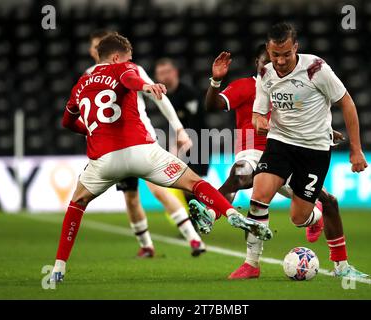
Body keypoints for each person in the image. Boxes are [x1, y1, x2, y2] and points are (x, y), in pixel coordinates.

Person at [50, 34, 272, 282]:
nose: (131, 61)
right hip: (141, 150)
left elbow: (66, 121)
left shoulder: (80, 83)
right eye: (128, 57)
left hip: (103, 160)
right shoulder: (123, 68)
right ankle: (230, 213)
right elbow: (131, 79)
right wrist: (146, 86)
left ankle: (58, 267)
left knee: (77, 203)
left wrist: (90, 130)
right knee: (193, 182)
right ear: (116, 58)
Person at [190, 22, 369, 279]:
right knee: (258, 195)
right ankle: (251, 264)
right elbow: (258, 115)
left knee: (298, 217)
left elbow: (347, 103)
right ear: (268, 51)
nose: (281, 61)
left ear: (296, 47)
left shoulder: (316, 69)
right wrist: (259, 122)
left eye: (286, 54)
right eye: (276, 55)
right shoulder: (265, 74)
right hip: (279, 144)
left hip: (313, 150)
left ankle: (328, 243)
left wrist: (356, 150)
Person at [89, 30, 204, 258]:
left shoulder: (133, 70)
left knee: (160, 191)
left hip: (142, 143)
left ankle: (194, 239)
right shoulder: (88, 76)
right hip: (114, 149)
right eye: (93, 46)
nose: (95, 49)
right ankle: (146, 246)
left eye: (98, 45)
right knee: (130, 197)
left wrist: (179, 128)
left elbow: (158, 97)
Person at [154, 58, 210, 203]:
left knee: (192, 187)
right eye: (161, 73)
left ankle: (200, 219)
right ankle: (195, 221)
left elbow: (196, 125)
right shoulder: (163, 97)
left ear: (175, 72)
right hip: (179, 147)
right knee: (186, 190)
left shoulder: (189, 94)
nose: (165, 76)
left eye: (167, 71)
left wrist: (179, 147)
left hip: (198, 145)